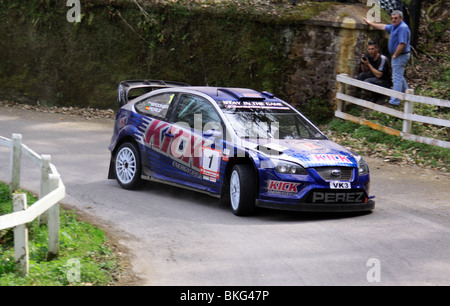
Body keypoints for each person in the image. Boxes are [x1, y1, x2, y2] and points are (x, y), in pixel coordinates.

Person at [364, 10, 411, 106]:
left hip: (400, 56)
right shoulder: (394, 26)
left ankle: (394, 101)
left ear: (401, 18)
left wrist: (395, 55)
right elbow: (383, 27)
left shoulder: (403, 28)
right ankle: (408, 95)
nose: (393, 20)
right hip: (398, 56)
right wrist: (371, 24)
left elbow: (402, 44)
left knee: (396, 78)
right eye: (392, 18)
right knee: (399, 76)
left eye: (396, 18)